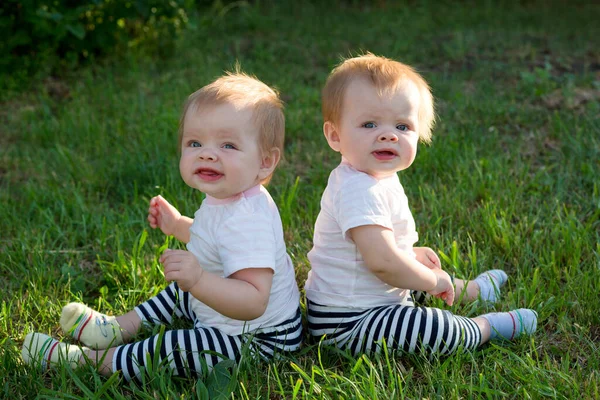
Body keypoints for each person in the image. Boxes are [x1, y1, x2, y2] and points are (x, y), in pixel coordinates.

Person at [22, 72, 303, 381]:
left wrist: (197, 280)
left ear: (265, 161)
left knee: (175, 346)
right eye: (195, 142)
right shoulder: (227, 197)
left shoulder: (250, 220)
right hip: (228, 314)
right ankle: (115, 328)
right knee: (178, 295)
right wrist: (179, 224)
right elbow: (217, 243)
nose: (207, 153)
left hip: (258, 339)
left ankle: (86, 361)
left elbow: (253, 301)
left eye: (228, 145)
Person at [304, 53, 537, 356]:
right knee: (432, 328)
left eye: (402, 127)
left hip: (370, 298)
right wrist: (430, 279)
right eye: (369, 123)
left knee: (412, 269)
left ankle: (473, 291)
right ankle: (484, 327)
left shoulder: (377, 176)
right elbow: (383, 263)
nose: (388, 134)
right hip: (348, 322)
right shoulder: (357, 189)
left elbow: (373, 254)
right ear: (335, 135)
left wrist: (407, 254)